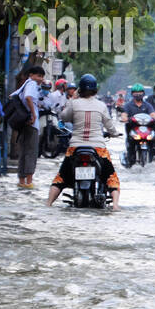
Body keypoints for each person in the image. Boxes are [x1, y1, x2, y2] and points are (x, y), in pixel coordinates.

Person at [46, 74, 121, 210]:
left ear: (79, 89)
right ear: (95, 90)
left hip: (75, 148)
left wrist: (72, 100)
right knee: (111, 177)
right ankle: (115, 205)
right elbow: (110, 126)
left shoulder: (74, 104)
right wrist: (115, 134)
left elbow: (64, 117)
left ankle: (48, 204)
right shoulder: (101, 105)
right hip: (98, 148)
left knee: (61, 178)